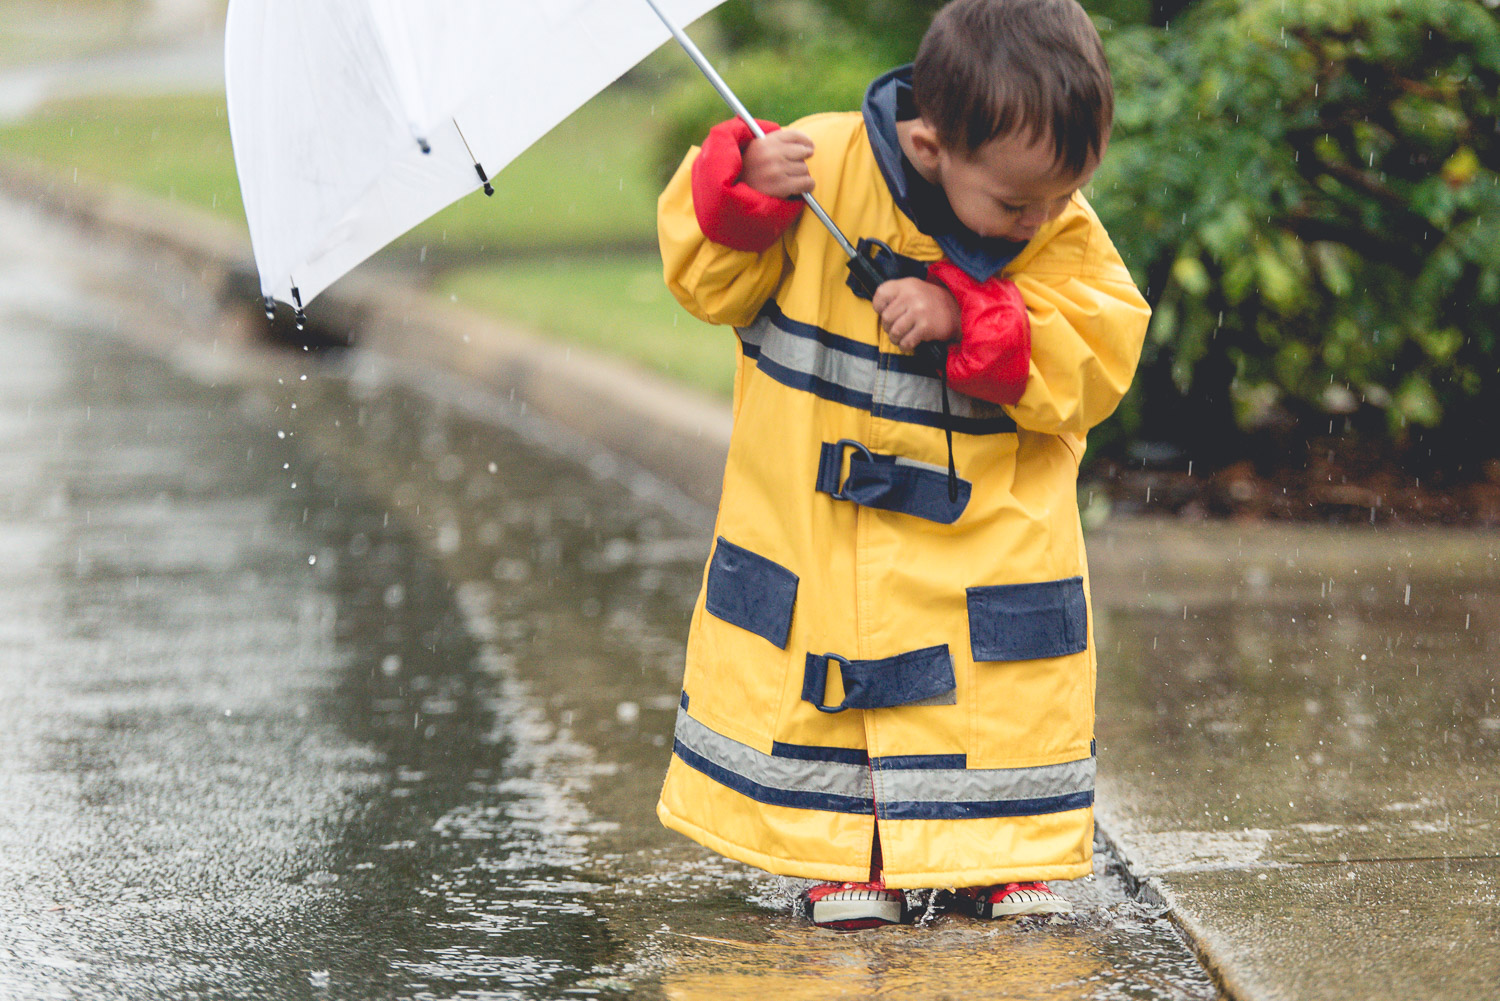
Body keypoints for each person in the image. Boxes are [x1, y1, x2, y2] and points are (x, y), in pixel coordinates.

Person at [655, 0, 1151, 930]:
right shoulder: (811, 167)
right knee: (844, 702)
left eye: (1062, 194)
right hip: (820, 530)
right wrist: (743, 196)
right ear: (929, 146)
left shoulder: (1053, 222)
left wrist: (975, 318)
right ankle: (854, 856)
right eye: (1016, 202)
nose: (1041, 218)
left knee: (987, 698)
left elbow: (1101, 344)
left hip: (989, 542)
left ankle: (996, 855)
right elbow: (707, 284)